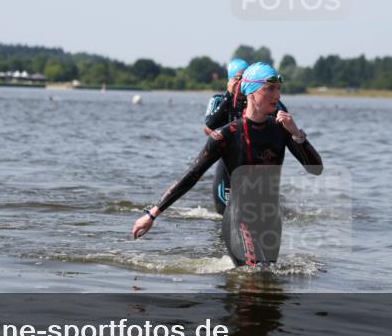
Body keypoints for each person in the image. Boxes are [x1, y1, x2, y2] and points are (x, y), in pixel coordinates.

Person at [133, 62, 322, 266]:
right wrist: (152, 214)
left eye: (278, 89)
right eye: (269, 89)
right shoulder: (226, 135)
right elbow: (191, 176)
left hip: (271, 220)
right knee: (253, 276)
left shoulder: (283, 130)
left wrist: (297, 134)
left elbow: (316, 169)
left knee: (267, 281)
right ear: (250, 93)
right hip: (239, 219)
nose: (277, 95)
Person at [204, 59, 288, 215]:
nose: (242, 82)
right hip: (230, 162)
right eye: (238, 78)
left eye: (245, 77)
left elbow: (284, 119)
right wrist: (230, 96)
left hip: (257, 161)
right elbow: (210, 124)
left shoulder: (261, 101)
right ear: (230, 80)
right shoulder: (219, 100)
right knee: (224, 215)